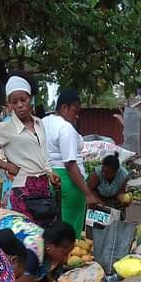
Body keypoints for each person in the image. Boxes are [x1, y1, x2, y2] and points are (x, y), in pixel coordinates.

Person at [0, 75, 61, 222]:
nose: (19, 105)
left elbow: (42, 153)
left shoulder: (39, 123)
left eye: (23, 100)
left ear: (30, 99)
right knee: (28, 237)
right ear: (9, 104)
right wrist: (6, 165)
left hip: (43, 188)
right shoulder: (5, 127)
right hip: (23, 190)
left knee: (46, 237)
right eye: (14, 102)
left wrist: (50, 173)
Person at [43, 88, 101, 236]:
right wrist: (87, 193)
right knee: (70, 231)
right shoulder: (65, 128)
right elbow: (70, 164)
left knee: (54, 227)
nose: (77, 116)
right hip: (70, 182)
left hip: (49, 177)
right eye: (75, 111)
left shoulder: (43, 122)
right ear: (64, 108)